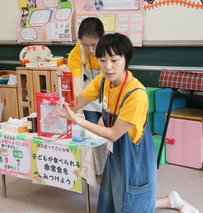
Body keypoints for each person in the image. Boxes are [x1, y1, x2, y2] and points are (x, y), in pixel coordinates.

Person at [57, 32, 157, 212]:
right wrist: (64, 81)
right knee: (109, 202)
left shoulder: (136, 94)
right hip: (116, 151)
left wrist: (77, 120)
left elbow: (113, 134)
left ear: (126, 59)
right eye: (102, 61)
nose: (108, 67)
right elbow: (75, 103)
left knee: (132, 202)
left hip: (134, 156)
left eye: (114, 60)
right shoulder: (102, 82)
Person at [58, 17, 104, 124]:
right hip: (89, 96)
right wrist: (79, 114)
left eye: (94, 45)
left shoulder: (112, 50)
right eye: (85, 45)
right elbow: (77, 87)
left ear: (102, 37)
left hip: (110, 96)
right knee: (91, 132)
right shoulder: (76, 54)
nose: (90, 50)